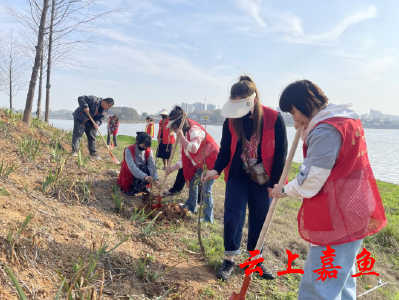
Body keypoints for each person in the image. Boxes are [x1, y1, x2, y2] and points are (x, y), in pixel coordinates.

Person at [270, 80, 387, 300]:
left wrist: (284, 190)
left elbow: (310, 182)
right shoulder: (345, 119)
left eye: (293, 111)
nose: (293, 118)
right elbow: (333, 158)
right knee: (342, 279)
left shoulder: (325, 130)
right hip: (355, 207)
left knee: (319, 287)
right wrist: (307, 129)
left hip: (338, 215)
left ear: (306, 102)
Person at [202, 76, 288, 281]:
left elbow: (281, 155)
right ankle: (229, 259)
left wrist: (275, 184)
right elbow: (225, 150)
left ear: (254, 99)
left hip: (264, 178)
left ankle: (255, 260)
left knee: (259, 218)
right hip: (238, 175)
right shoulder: (231, 119)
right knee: (233, 216)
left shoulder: (274, 119)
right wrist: (216, 170)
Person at [165, 106, 219, 223]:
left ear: (180, 123)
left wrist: (182, 138)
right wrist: (172, 168)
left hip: (211, 161)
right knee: (194, 182)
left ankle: (208, 218)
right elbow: (184, 158)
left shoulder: (194, 129)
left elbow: (194, 148)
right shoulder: (183, 134)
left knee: (206, 188)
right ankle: (191, 207)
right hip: (201, 163)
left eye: (174, 126)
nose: (173, 130)